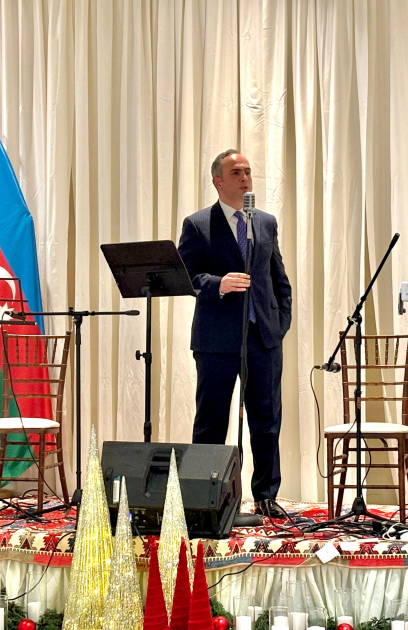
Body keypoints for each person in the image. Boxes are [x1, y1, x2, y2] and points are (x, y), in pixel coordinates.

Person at [178, 149, 292, 510]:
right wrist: (218, 284)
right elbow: (186, 276)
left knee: (266, 421)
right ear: (218, 181)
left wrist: (279, 323)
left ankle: (266, 497)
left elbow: (277, 277)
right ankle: (205, 498)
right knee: (211, 422)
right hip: (216, 340)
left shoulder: (265, 222)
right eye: (236, 172)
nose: (245, 178)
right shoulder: (198, 224)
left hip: (263, 338)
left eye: (247, 171)